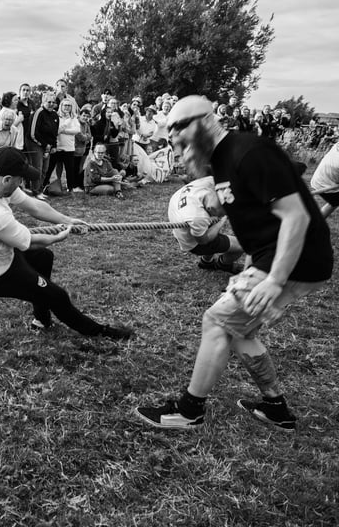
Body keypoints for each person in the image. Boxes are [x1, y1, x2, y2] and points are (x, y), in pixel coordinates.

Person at [135, 96, 333, 431]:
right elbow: (251, 213)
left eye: (180, 129)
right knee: (239, 331)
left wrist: (274, 280)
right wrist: (248, 263)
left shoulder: (249, 152)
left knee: (216, 322)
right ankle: (275, 408)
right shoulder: (222, 161)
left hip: (295, 259)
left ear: (206, 121)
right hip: (272, 258)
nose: (176, 139)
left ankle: (189, 411)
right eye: (172, 134)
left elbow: (296, 217)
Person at [0, 147, 133, 340]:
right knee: (57, 296)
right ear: (7, 179)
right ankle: (100, 333)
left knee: (43, 258)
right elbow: (30, 243)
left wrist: (67, 220)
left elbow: (34, 206)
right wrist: (58, 237)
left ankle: (41, 320)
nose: (22, 183)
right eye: (21, 179)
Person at [167, 168, 244, 273]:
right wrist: (221, 221)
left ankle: (206, 262)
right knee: (242, 244)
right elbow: (203, 240)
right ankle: (223, 264)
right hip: (194, 242)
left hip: (183, 222)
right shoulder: (199, 217)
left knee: (210, 226)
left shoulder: (209, 182)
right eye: (222, 212)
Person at [310, 141, 339, 218]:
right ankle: (316, 222)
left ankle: (317, 222)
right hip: (326, 184)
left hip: (318, 179)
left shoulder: (337, 145)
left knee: (334, 202)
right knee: (335, 201)